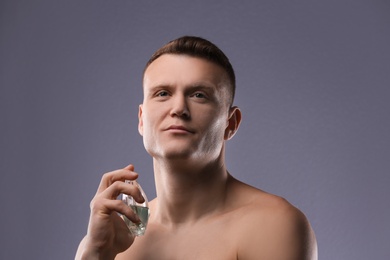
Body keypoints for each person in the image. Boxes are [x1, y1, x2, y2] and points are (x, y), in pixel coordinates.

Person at [76, 36, 318, 259]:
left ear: (230, 123)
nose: (178, 108)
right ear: (141, 119)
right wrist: (95, 253)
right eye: (162, 93)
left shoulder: (272, 224)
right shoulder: (114, 238)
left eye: (199, 95)